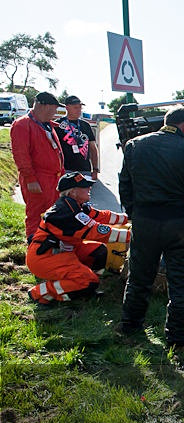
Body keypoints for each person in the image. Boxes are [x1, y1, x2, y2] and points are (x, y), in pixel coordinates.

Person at [117, 106, 184, 351]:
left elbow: (124, 184)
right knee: (181, 283)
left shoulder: (135, 146)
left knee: (139, 278)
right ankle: (178, 341)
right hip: (179, 223)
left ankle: (129, 327)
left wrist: (134, 212)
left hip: (145, 220)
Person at [26, 172, 129, 305]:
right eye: (85, 187)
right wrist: (133, 236)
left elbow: (102, 216)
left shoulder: (76, 205)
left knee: (99, 251)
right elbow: (97, 232)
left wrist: (129, 216)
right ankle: (40, 292)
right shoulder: (64, 212)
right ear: (73, 192)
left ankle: (86, 285)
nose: (89, 188)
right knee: (89, 281)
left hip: (65, 251)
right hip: (45, 257)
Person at [10, 92, 65, 241]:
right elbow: (21, 154)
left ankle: (50, 246)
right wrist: (30, 179)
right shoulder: (22, 125)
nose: (54, 113)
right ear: (43, 106)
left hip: (54, 178)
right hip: (38, 178)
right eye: (53, 109)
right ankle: (35, 247)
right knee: (36, 213)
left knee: (53, 213)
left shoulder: (47, 125)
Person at [56, 95, 98, 179]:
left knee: (84, 192)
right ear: (67, 108)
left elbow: (93, 148)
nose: (78, 110)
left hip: (84, 170)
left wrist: (95, 169)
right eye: (75, 107)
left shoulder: (85, 125)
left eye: (80, 107)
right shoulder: (57, 124)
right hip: (65, 170)